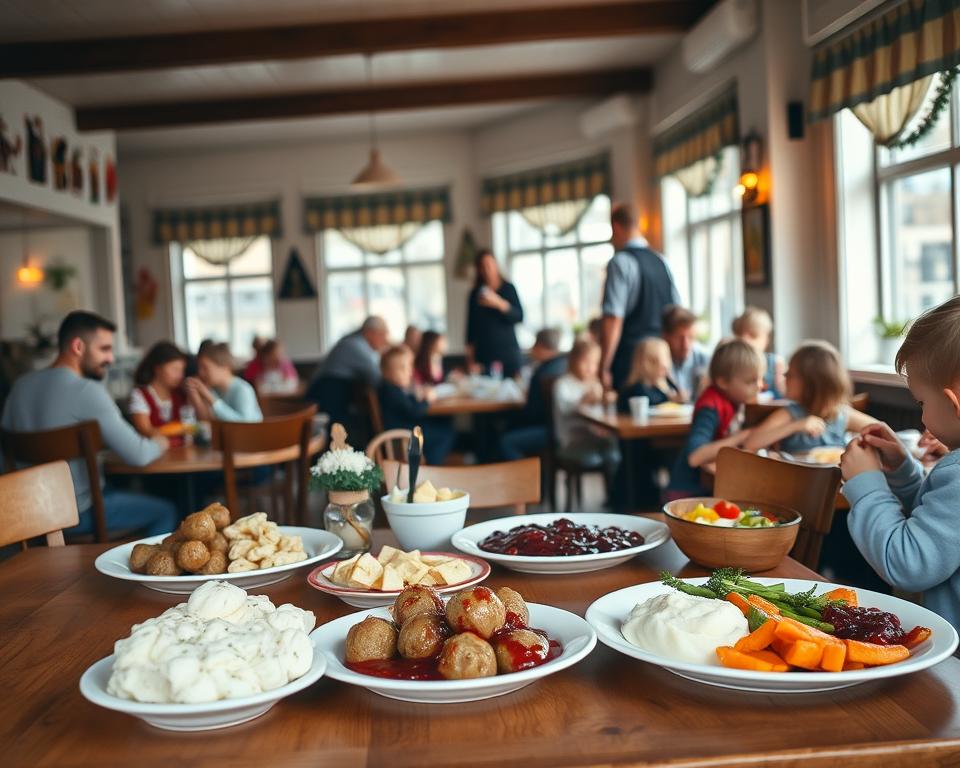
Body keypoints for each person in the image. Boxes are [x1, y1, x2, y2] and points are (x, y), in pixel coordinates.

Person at [841, 297, 960, 631]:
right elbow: (940, 532)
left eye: (921, 402)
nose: (922, 415)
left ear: (953, 402)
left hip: (952, 668)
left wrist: (867, 485)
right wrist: (906, 474)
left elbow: (906, 561)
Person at [1, 311, 176, 537]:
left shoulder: (19, 386)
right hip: (77, 513)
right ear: (78, 347)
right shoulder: (87, 390)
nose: (111, 359)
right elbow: (139, 455)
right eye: (104, 349)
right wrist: (160, 442)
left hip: (27, 515)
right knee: (168, 510)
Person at [666, 339, 762, 498]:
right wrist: (742, 437)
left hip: (710, 487)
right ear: (723, 382)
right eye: (750, 381)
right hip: (688, 494)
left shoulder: (735, 402)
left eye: (760, 379)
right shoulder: (710, 407)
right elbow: (695, 457)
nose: (759, 386)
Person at [600, 203, 680, 390]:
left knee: (627, 415)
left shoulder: (620, 262)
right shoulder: (662, 261)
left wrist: (604, 366)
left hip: (631, 361)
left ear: (616, 227)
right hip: (661, 359)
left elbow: (613, 318)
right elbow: (676, 312)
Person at [744, 341, 875, 453]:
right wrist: (796, 426)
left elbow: (880, 431)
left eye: (790, 374)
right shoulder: (791, 414)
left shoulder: (841, 415)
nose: (785, 377)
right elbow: (751, 442)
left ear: (811, 383)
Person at [552, 337, 619, 488]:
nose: (590, 368)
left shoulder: (595, 383)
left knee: (616, 452)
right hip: (571, 441)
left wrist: (609, 400)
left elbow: (603, 415)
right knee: (610, 451)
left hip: (596, 438)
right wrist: (584, 400)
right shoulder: (563, 384)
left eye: (594, 363)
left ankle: (616, 496)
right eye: (585, 362)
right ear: (573, 361)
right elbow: (565, 408)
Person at [306, 316, 389, 430]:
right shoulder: (356, 345)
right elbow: (376, 377)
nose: (385, 340)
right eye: (383, 334)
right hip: (326, 391)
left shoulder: (358, 343)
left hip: (332, 391)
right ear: (370, 332)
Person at [377, 345, 455, 465]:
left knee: (444, 422)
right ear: (386, 372)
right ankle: (432, 467)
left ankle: (430, 463)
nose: (409, 372)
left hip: (406, 427)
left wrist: (416, 396)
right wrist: (427, 400)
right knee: (445, 434)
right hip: (401, 436)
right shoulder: (390, 390)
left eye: (409, 366)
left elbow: (406, 403)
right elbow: (414, 411)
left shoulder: (392, 388)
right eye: (402, 368)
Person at [499, 329, 567, 460]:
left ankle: (523, 478)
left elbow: (532, 413)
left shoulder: (542, 373)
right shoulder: (563, 365)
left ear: (540, 346)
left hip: (548, 431)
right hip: (562, 429)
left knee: (506, 440)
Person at [465, 249, 524, 378]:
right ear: (479, 269)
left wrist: (499, 303)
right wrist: (470, 360)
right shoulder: (475, 294)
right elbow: (470, 329)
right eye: (483, 266)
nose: (487, 269)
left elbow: (519, 317)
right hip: (485, 356)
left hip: (508, 355)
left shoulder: (508, 289)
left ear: (496, 265)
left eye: (489, 265)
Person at [185, 342, 262, 422]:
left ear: (225, 366)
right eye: (199, 368)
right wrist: (195, 397)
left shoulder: (243, 389)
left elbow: (245, 423)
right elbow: (207, 421)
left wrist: (210, 398)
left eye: (205, 367)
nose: (200, 372)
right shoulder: (213, 388)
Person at [129, 341, 187, 437]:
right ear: (158, 369)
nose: (180, 375)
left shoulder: (182, 393)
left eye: (182, 370)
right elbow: (145, 430)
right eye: (174, 369)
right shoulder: (140, 395)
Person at [732, 306, 785, 399]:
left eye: (753, 336)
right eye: (741, 335)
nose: (746, 340)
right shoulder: (731, 361)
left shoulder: (775, 362)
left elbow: (783, 394)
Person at [617, 337, 682, 413]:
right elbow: (651, 401)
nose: (665, 365)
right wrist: (670, 398)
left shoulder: (665, 383)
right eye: (655, 361)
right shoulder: (635, 390)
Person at [661, 305, 710, 401]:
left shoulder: (705, 361)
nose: (686, 345)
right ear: (666, 337)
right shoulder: (656, 362)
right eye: (679, 338)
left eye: (691, 337)